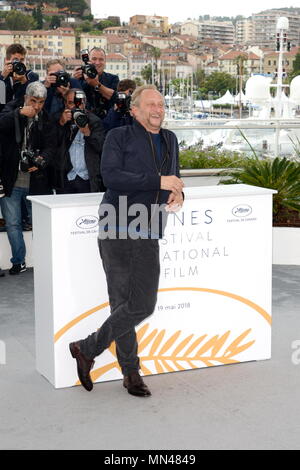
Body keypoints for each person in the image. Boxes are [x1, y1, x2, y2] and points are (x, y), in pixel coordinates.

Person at [69, 85, 184, 397]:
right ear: (134, 110)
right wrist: (157, 181)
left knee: (142, 304)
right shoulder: (119, 137)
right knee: (122, 302)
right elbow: (112, 178)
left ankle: (86, 347)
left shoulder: (171, 139)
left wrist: (177, 191)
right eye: (150, 104)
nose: (157, 109)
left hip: (148, 228)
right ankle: (131, 372)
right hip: (116, 225)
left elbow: (171, 177)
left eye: (161, 103)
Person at [0, 81, 56, 275]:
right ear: (25, 98)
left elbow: (52, 147)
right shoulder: (12, 109)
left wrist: (41, 160)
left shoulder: (47, 119)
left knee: (40, 225)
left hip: (37, 181)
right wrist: (19, 114)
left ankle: (44, 260)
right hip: (11, 179)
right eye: (33, 101)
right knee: (13, 223)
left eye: (41, 102)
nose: (37, 106)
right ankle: (19, 261)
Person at [53, 88, 105, 193]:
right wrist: (61, 124)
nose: (76, 106)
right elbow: (52, 145)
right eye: (71, 103)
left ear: (84, 103)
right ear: (65, 103)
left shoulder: (94, 121)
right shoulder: (59, 118)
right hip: (66, 177)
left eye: (79, 102)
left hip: (87, 178)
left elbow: (101, 148)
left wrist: (87, 133)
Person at [73, 47, 119, 119]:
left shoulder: (113, 78)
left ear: (105, 62)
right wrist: (73, 80)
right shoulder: (80, 78)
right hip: (85, 121)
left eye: (101, 59)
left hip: (107, 121)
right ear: (88, 61)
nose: (97, 63)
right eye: (94, 59)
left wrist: (96, 84)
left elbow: (115, 97)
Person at [0, 43, 39, 112]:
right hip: (3, 117)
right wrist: (2, 78)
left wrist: (24, 81)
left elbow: (32, 100)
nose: (19, 63)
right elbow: (1, 100)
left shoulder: (32, 76)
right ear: (7, 60)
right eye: (15, 60)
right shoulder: (2, 77)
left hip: (22, 117)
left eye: (22, 60)